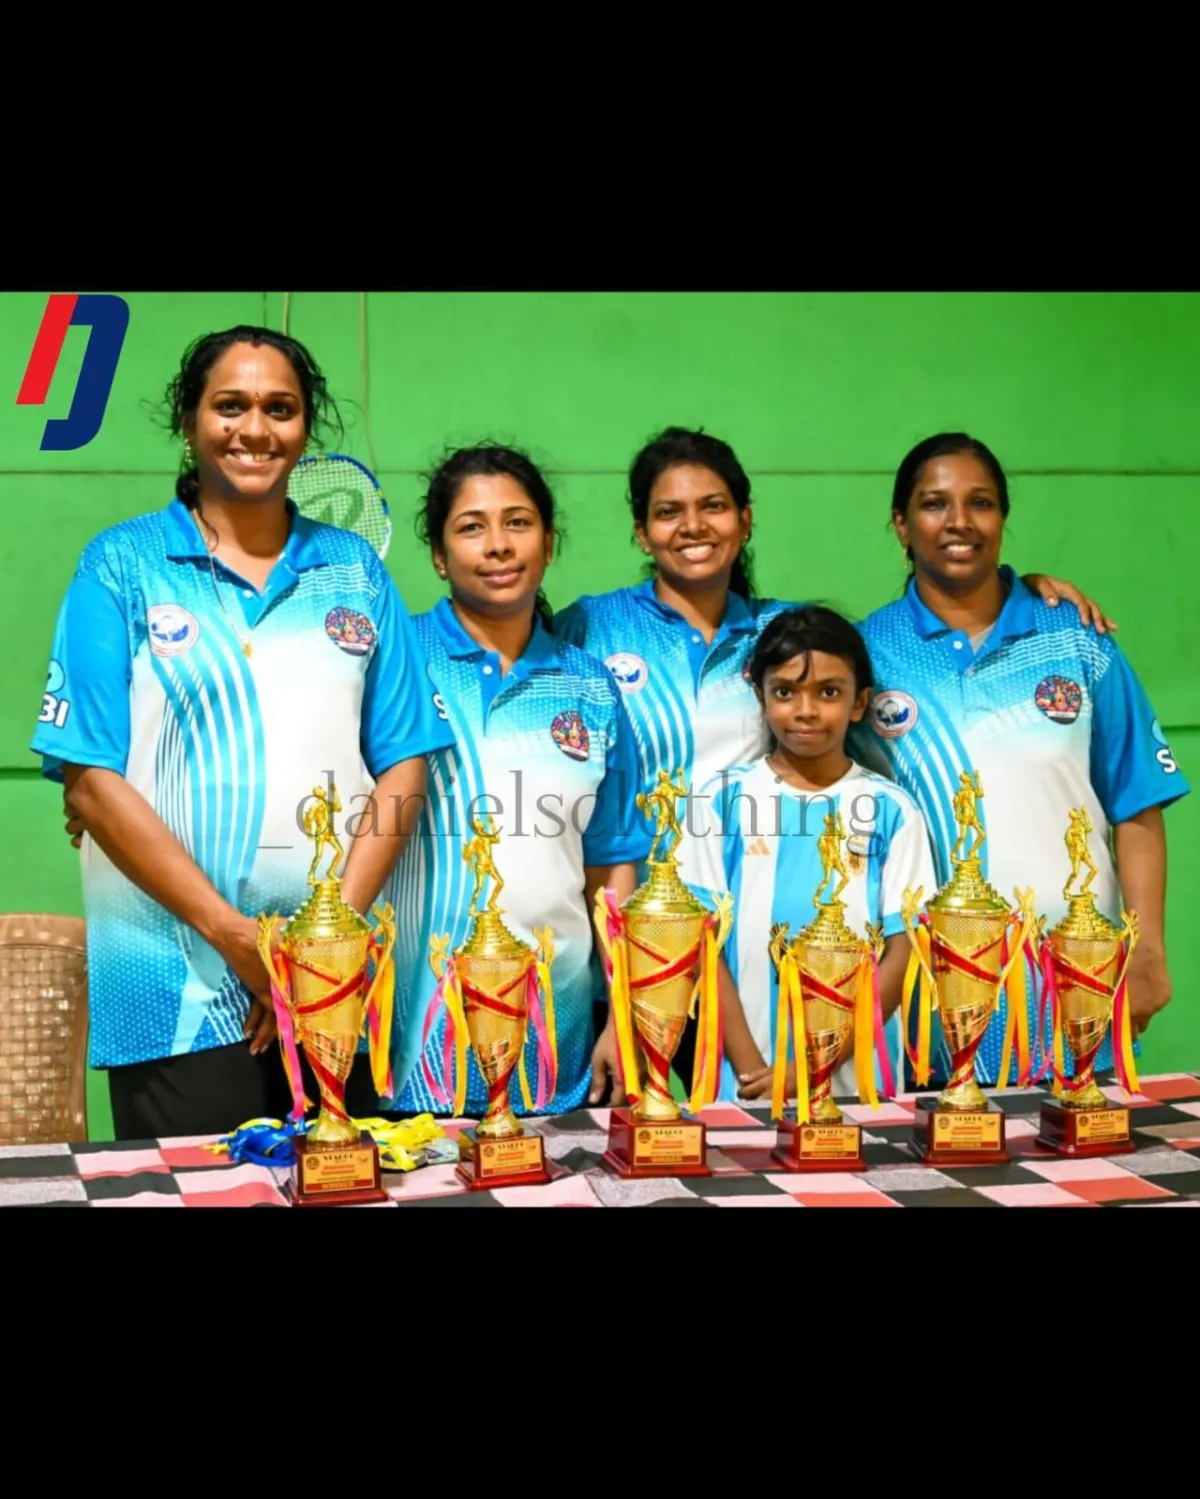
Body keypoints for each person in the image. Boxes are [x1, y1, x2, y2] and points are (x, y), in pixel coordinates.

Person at [553, 423, 1113, 1082]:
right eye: (668, 511)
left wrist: (1027, 591)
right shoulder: (589, 627)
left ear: (745, 520)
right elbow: (511, 643)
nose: (693, 526)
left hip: (758, 951)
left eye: (714, 506)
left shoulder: (782, 631)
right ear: (642, 532)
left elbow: (867, 661)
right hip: (632, 959)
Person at [39, 325, 454, 1140]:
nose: (255, 429)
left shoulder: (354, 569)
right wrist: (237, 940)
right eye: (230, 405)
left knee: (345, 1183)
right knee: (198, 1191)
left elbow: (405, 765)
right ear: (189, 419)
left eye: (280, 408)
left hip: (332, 986)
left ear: (306, 426)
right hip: (168, 980)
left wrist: (321, 946)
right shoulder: (121, 563)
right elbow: (89, 778)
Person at [854, 431, 1191, 1083]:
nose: (959, 521)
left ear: (1003, 519)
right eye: (934, 503)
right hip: (929, 1008)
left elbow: (1138, 801)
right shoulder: (868, 653)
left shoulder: (1076, 639)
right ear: (901, 524)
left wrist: (1148, 946)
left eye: (980, 503)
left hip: (1077, 987)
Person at [379, 443, 652, 1118]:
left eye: (518, 523)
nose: (498, 544)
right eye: (472, 526)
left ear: (549, 543)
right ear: (439, 555)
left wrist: (623, 1012)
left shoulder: (591, 686)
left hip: (556, 1043)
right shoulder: (393, 660)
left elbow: (610, 864)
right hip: (408, 1046)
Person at [687, 607, 937, 1102]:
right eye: (785, 692)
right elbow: (699, 941)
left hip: (859, 1083)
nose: (806, 710)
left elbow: (906, 948)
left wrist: (810, 1067)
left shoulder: (892, 808)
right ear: (760, 698)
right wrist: (754, 1071)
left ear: (860, 702)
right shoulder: (718, 800)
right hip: (744, 1082)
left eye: (828, 692)